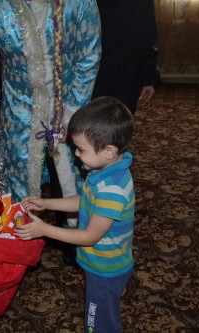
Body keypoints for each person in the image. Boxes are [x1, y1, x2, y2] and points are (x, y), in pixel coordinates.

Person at [0, 0, 101, 266]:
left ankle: (75, 243)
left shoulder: (79, 2)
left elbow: (88, 54)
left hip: (67, 105)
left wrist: (72, 110)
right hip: (20, 110)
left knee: (69, 175)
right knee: (20, 178)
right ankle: (23, 247)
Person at [15, 96, 135, 333]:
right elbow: (85, 201)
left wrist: (44, 230)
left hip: (105, 268)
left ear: (109, 151)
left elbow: (90, 236)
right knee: (106, 312)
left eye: (81, 149)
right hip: (105, 264)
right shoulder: (103, 172)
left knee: (98, 323)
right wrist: (46, 203)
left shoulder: (113, 189)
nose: (77, 155)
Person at [92, 0, 161, 113]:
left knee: (121, 121)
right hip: (93, 73)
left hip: (126, 74)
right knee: (92, 121)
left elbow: (147, 38)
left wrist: (148, 79)